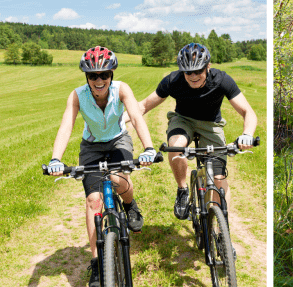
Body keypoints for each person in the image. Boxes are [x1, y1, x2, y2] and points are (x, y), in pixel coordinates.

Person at [46, 46, 158, 287]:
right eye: (93, 76)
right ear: (86, 77)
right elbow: (66, 125)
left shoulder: (122, 90)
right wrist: (56, 158)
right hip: (91, 146)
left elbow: (136, 118)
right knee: (93, 201)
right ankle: (97, 264)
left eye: (104, 75)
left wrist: (148, 148)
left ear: (112, 74)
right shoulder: (77, 95)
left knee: (118, 179)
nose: (99, 80)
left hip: (118, 139)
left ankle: (130, 206)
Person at [136, 43, 257, 220]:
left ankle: (221, 229)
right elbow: (143, 106)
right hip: (183, 120)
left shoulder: (222, 80)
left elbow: (248, 112)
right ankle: (183, 189)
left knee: (218, 177)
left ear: (208, 66)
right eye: (188, 72)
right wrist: (118, 121)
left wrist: (247, 134)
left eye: (198, 71)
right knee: (176, 147)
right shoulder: (173, 80)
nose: (193, 76)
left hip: (211, 125)